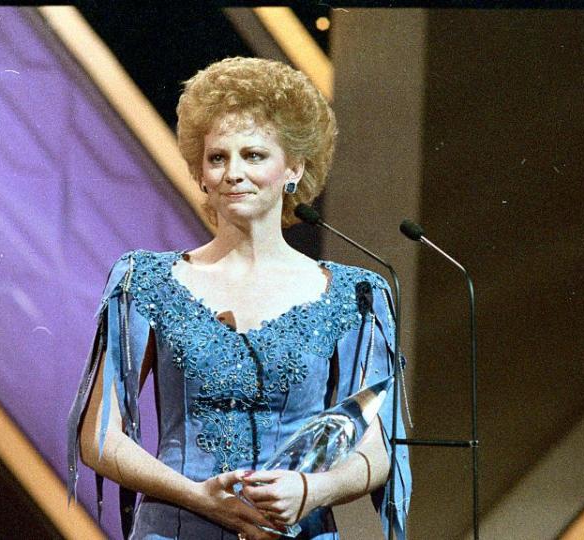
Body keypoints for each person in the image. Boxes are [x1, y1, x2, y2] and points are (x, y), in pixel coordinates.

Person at [67, 57, 410, 540]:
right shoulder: (144, 279)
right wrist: (199, 497)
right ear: (201, 173)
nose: (233, 172)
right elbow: (99, 435)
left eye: (253, 156)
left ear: (294, 167)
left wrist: (312, 490)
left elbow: (377, 447)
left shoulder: (356, 295)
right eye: (217, 157)